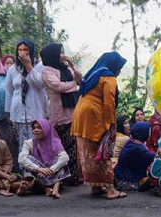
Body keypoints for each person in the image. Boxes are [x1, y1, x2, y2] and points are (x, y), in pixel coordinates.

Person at [71, 51, 128, 200]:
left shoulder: (95, 74)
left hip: (80, 115)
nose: (119, 71)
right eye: (119, 67)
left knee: (89, 153)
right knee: (103, 152)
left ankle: (95, 187)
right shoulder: (108, 77)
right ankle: (110, 190)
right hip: (94, 116)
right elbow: (109, 103)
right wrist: (110, 124)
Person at [40, 43, 82, 185]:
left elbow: (80, 78)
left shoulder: (66, 68)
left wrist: (71, 63)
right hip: (58, 115)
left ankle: (74, 177)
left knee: (73, 146)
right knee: (60, 147)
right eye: (60, 52)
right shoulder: (47, 71)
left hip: (72, 112)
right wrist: (74, 85)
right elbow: (58, 86)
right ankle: (60, 178)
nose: (62, 55)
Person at [5, 38, 49, 162]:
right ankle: (26, 174)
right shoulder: (13, 69)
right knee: (23, 146)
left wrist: (29, 66)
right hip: (18, 114)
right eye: (19, 50)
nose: (22, 53)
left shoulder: (40, 67)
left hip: (36, 112)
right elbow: (9, 92)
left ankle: (40, 173)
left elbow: (40, 84)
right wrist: (8, 113)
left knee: (38, 144)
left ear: (31, 51)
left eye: (25, 50)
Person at [17, 119, 70, 198]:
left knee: (62, 161)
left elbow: (65, 157)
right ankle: (46, 188)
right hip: (38, 174)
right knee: (27, 159)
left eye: (39, 128)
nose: (35, 130)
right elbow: (21, 159)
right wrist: (39, 169)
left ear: (46, 129)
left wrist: (51, 170)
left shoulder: (55, 142)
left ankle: (55, 188)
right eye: (34, 128)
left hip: (51, 174)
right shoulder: (29, 143)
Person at [115, 121, 154, 191]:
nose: (150, 134)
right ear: (143, 133)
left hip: (119, 177)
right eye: (149, 132)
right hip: (125, 183)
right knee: (154, 178)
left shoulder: (132, 141)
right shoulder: (138, 148)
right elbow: (153, 157)